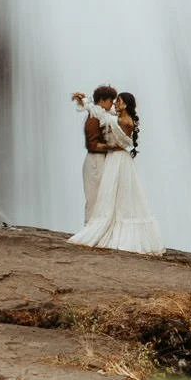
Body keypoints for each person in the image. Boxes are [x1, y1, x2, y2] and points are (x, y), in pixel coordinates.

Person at [69, 90, 161, 254]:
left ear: (125, 104)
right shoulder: (121, 118)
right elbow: (102, 113)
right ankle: (110, 224)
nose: (115, 104)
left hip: (117, 159)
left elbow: (106, 120)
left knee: (116, 194)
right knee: (117, 195)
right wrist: (85, 101)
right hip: (117, 159)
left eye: (118, 101)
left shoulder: (122, 121)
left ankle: (112, 228)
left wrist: (87, 104)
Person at [72, 86, 120, 226]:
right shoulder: (93, 118)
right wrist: (114, 147)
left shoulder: (103, 115)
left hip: (102, 159)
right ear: (102, 100)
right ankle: (90, 227)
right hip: (95, 161)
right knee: (93, 196)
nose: (112, 103)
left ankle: (100, 227)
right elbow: (92, 145)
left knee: (104, 196)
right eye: (111, 100)